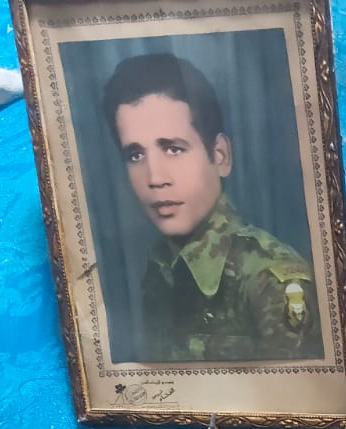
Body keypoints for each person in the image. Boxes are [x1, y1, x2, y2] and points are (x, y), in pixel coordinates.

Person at [100, 52, 323, 362]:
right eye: (136, 156)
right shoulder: (160, 270)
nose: (155, 178)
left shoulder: (269, 279)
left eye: (173, 149)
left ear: (220, 156)